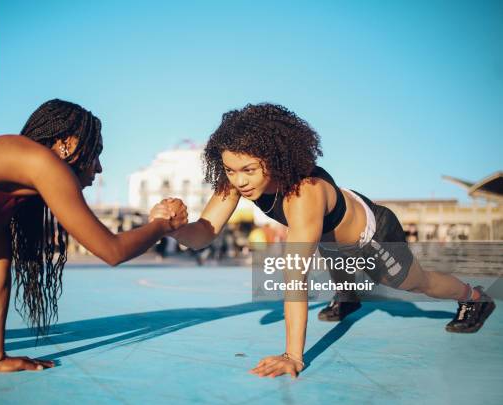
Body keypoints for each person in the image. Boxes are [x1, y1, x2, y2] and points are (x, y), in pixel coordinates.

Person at [153, 103, 495, 378]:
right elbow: (202, 235)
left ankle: (475, 297)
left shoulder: (304, 195)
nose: (238, 181)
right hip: (332, 236)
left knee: (413, 282)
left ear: (275, 159)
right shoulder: (237, 181)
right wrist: (173, 226)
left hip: (372, 236)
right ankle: (348, 298)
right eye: (230, 170)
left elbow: (294, 279)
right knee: (329, 251)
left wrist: (292, 355)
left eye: (249, 170)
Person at [0, 99, 187, 372]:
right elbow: (111, 250)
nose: (99, 167)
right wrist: (162, 225)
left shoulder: (7, 195)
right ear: (65, 143)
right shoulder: (39, 162)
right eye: (95, 152)